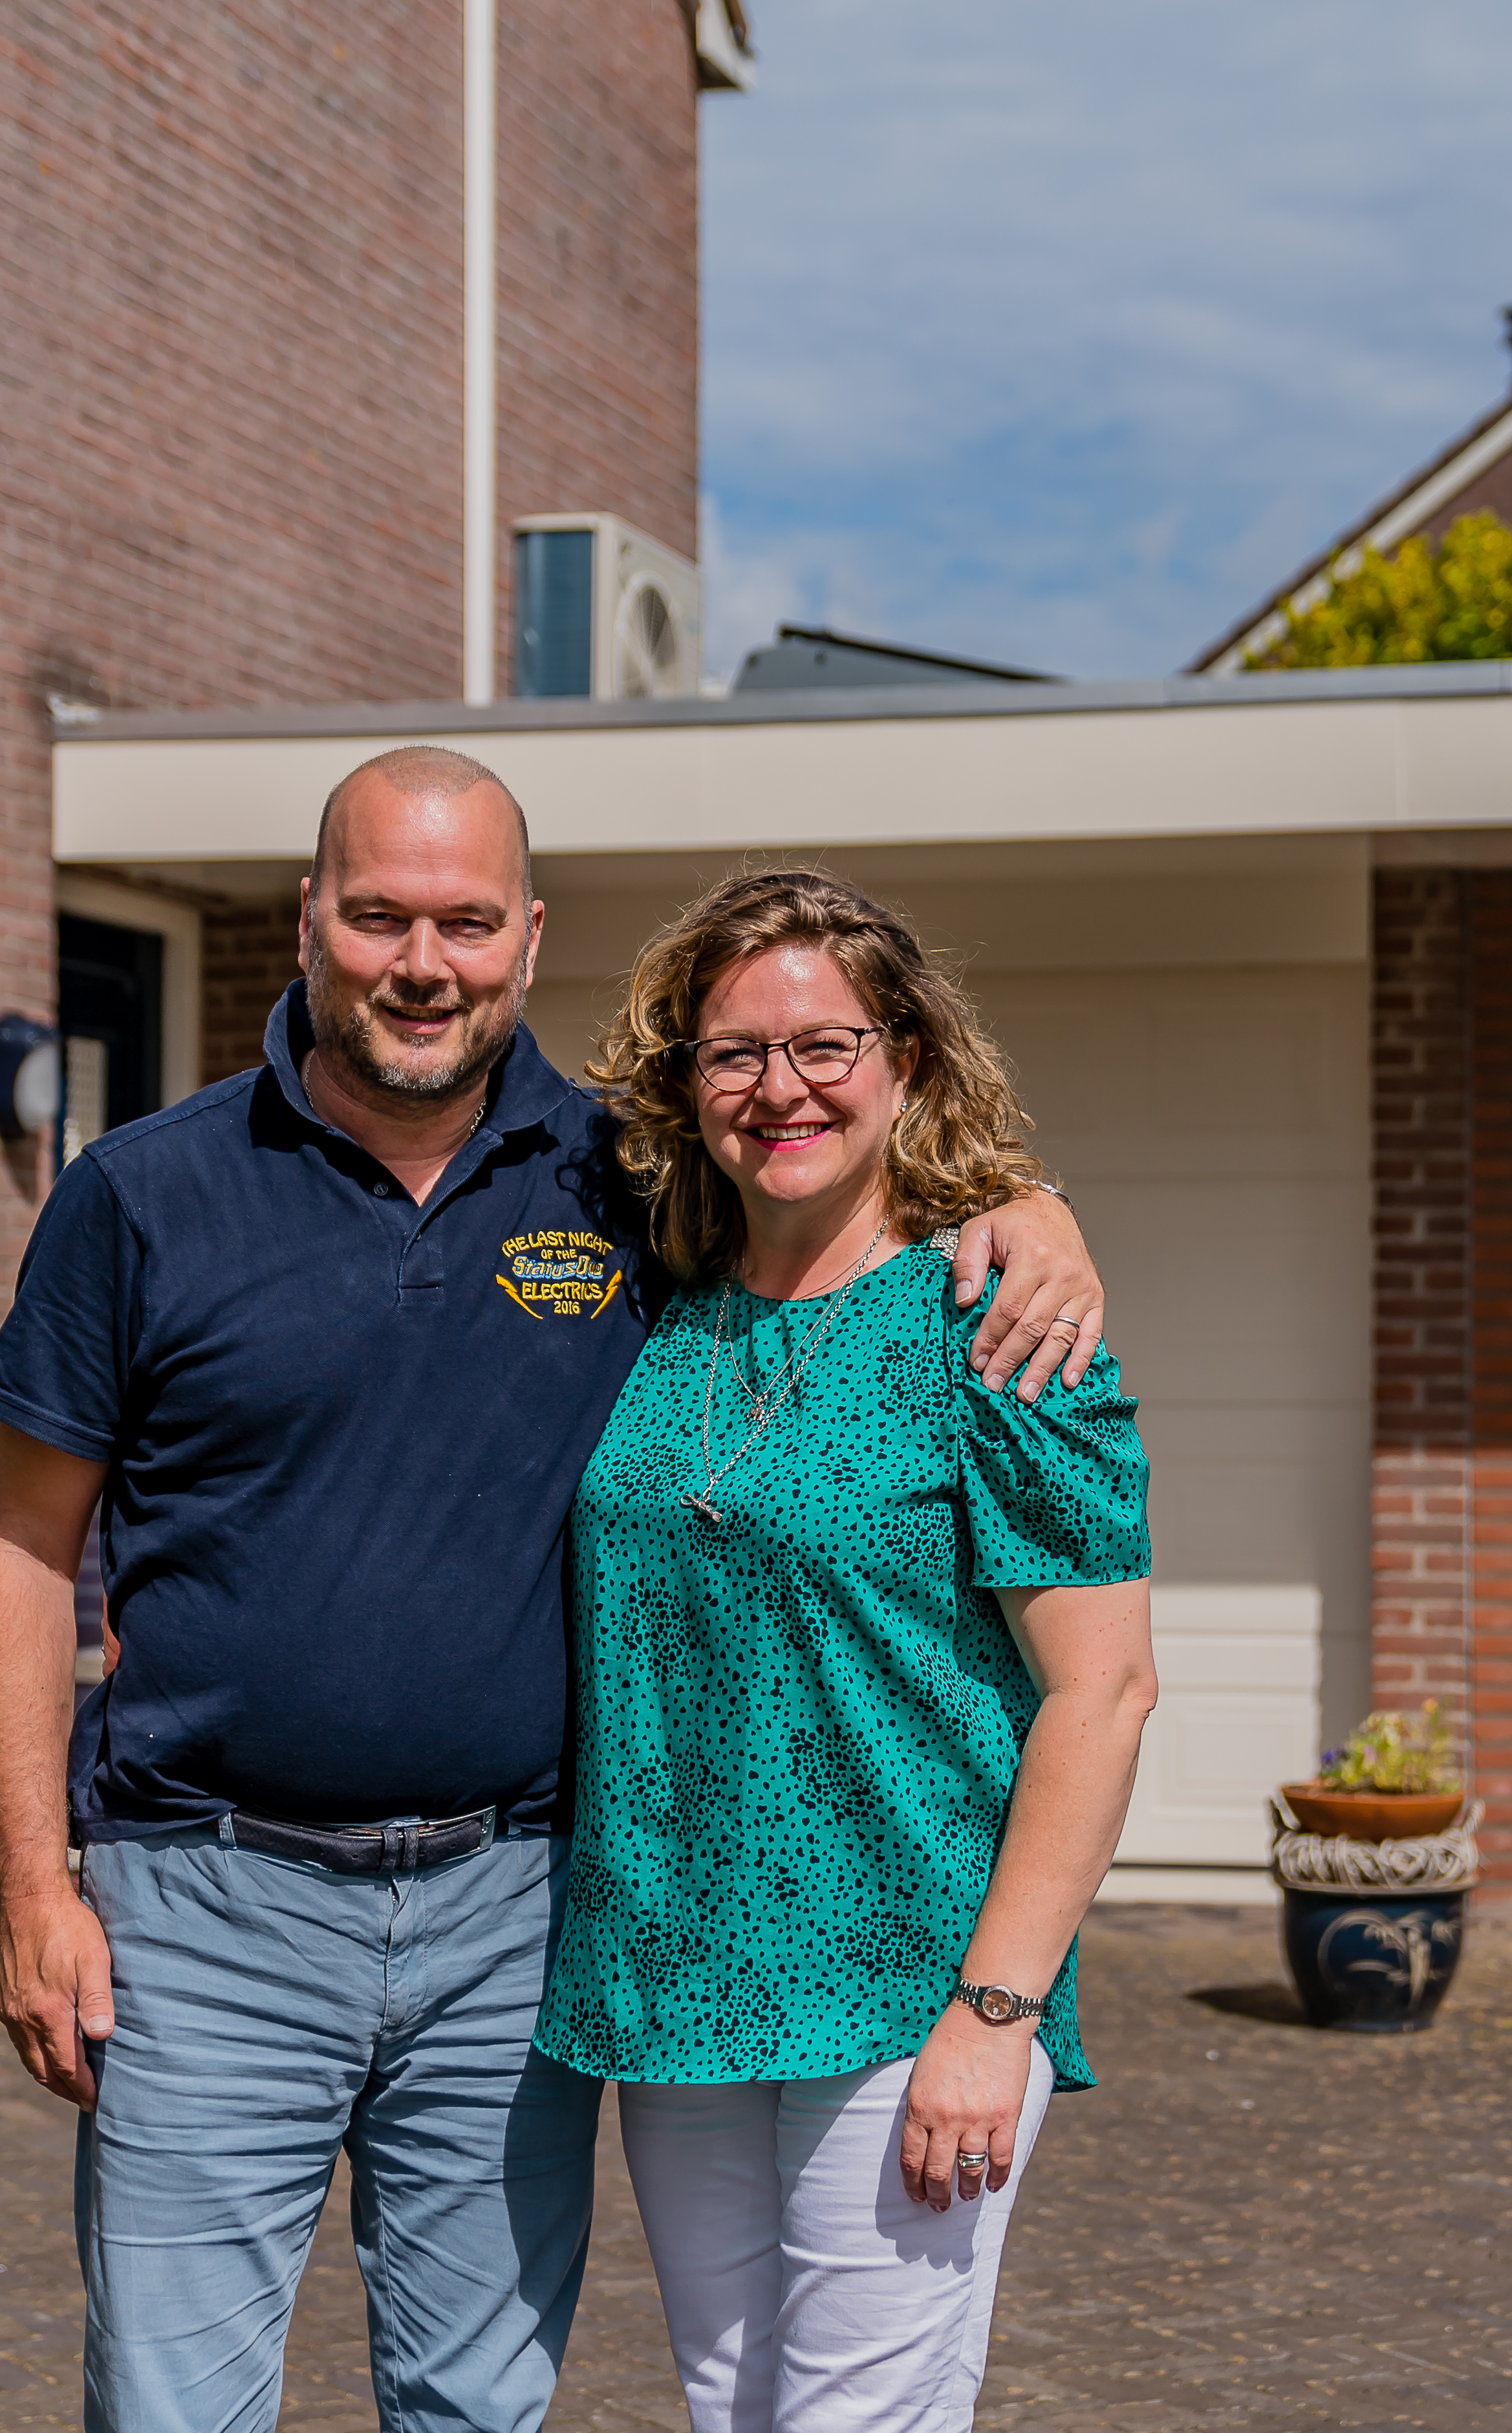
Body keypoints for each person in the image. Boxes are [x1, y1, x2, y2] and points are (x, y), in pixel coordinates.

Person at [0, 749, 1107, 2433]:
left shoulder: (630, 1179)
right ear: (309, 919)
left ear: (527, 933)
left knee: (474, 2410)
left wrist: (1029, 1205)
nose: (424, 959)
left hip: (517, 1920)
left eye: (467, 920)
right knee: (168, 2407)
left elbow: (837, 1174)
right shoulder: (141, 1193)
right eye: (380, 915)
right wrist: (34, 1890)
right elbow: (12, 1542)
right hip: (203, 1912)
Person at [538, 869, 1158, 2433]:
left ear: (907, 1061)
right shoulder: (652, 1310)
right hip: (676, 1984)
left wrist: (994, 2015)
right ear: (686, 1085)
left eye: (826, 1043)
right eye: (733, 1051)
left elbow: (1107, 1686)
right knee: (730, 2402)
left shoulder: (997, 1328)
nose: (781, 1086)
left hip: (906, 1992)